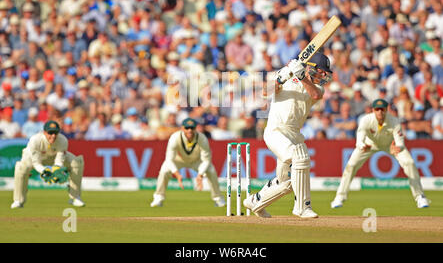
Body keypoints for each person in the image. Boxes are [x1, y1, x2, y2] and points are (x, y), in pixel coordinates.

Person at [243, 53, 333, 218]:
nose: (324, 75)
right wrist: (279, 79)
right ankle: (302, 207)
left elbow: (314, 95)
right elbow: (265, 92)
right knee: (301, 158)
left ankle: (255, 201)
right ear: (311, 67)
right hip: (276, 130)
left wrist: (301, 77)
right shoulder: (286, 75)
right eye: (321, 71)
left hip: (294, 134)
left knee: (286, 183)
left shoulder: (317, 87)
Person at [331, 99, 430, 209]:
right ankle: (339, 197)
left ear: (386, 110)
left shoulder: (394, 121)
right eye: (377, 109)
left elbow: (400, 142)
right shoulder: (366, 120)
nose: (380, 112)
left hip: (390, 145)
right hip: (369, 144)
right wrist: (362, 146)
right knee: (351, 165)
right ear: (373, 110)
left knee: (409, 163)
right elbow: (359, 138)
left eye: (382, 109)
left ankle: (420, 197)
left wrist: (398, 147)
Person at [150, 118, 225, 208]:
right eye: (187, 128)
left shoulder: (202, 138)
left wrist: (200, 175)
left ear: (195, 128)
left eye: (192, 128)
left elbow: (206, 160)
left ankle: (218, 199)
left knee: (211, 170)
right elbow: (169, 159)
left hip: (196, 161)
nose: (189, 130)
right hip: (179, 160)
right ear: (182, 128)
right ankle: (158, 198)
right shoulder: (175, 137)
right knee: (165, 170)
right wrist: (177, 174)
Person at [11, 121, 85, 209]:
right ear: (44, 132)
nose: (53, 136)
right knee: (21, 168)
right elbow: (36, 163)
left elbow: (59, 162)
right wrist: (45, 171)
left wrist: (56, 171)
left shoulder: (63, 140)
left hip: (53, 156)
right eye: (50, 133)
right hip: (34, 158)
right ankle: (18, 200)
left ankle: (75, 197)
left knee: (76, 163)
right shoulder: (35, 140)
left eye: (55, 133)